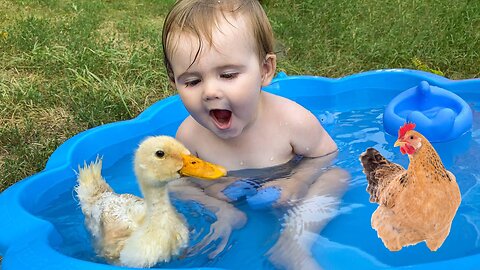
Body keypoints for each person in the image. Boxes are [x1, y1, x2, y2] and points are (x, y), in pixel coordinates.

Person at [162, 0, 349, 269]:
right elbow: (179, 182)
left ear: (265, 70)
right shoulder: (190, 135)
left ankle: (294, 241)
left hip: (285, 180)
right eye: (191, 81)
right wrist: (213, 198)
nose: (210, 92)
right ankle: (228, 216)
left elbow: (326, 155)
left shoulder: (292, 120)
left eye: (227, 75)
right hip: (228, 196)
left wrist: (298, 181)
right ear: (174, 82)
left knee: (336, 177)